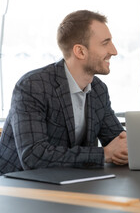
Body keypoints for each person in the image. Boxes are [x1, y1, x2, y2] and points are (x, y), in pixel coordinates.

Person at [0, 10, 128, 175]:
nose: (114, 51)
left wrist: (129, 148)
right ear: (80, 51)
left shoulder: (98, 89)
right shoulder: (32, 86)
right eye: (105, 43)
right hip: (17, 188)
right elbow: (33, 156)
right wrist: (104, 154)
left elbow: (118, 142)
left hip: (73, 182)